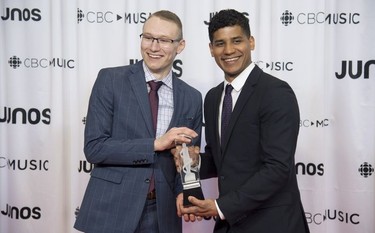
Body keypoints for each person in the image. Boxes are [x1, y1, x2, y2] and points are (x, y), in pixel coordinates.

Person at [176, 9, 310, 233]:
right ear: (211, 49)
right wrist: (192, 162)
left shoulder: (275, 92)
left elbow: (278, 168)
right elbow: (222, 158)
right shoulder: (212, 98)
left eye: (236, 41)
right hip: (231, 224)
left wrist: (220, 206)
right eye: (220, 43)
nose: (228, 50)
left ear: (251, 42)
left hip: (273, 224)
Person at [74, 10, 202, 233]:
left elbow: (187, 155)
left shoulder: (191, 97)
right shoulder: (110, 80)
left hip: (162, 214)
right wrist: (155, 144)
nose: (153, 47)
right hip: (111, 209)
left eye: (163, 40)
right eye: (148, 37)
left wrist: (186, 189)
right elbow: (94, 148)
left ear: (180, 46)